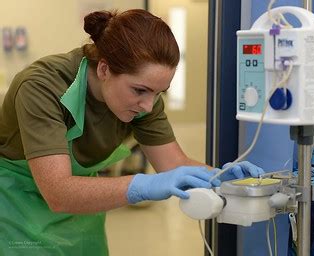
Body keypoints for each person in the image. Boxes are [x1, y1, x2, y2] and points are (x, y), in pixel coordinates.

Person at [0, 9, 264, 255]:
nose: (148, 105)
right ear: (104, 69)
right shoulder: (41, 87)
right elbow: (58, 193)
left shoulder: (143, 101)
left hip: (81, 221)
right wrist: (143, 185)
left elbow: (174, 164)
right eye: (139, 90)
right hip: (19, 217)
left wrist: (225, 179)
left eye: (159, 93)